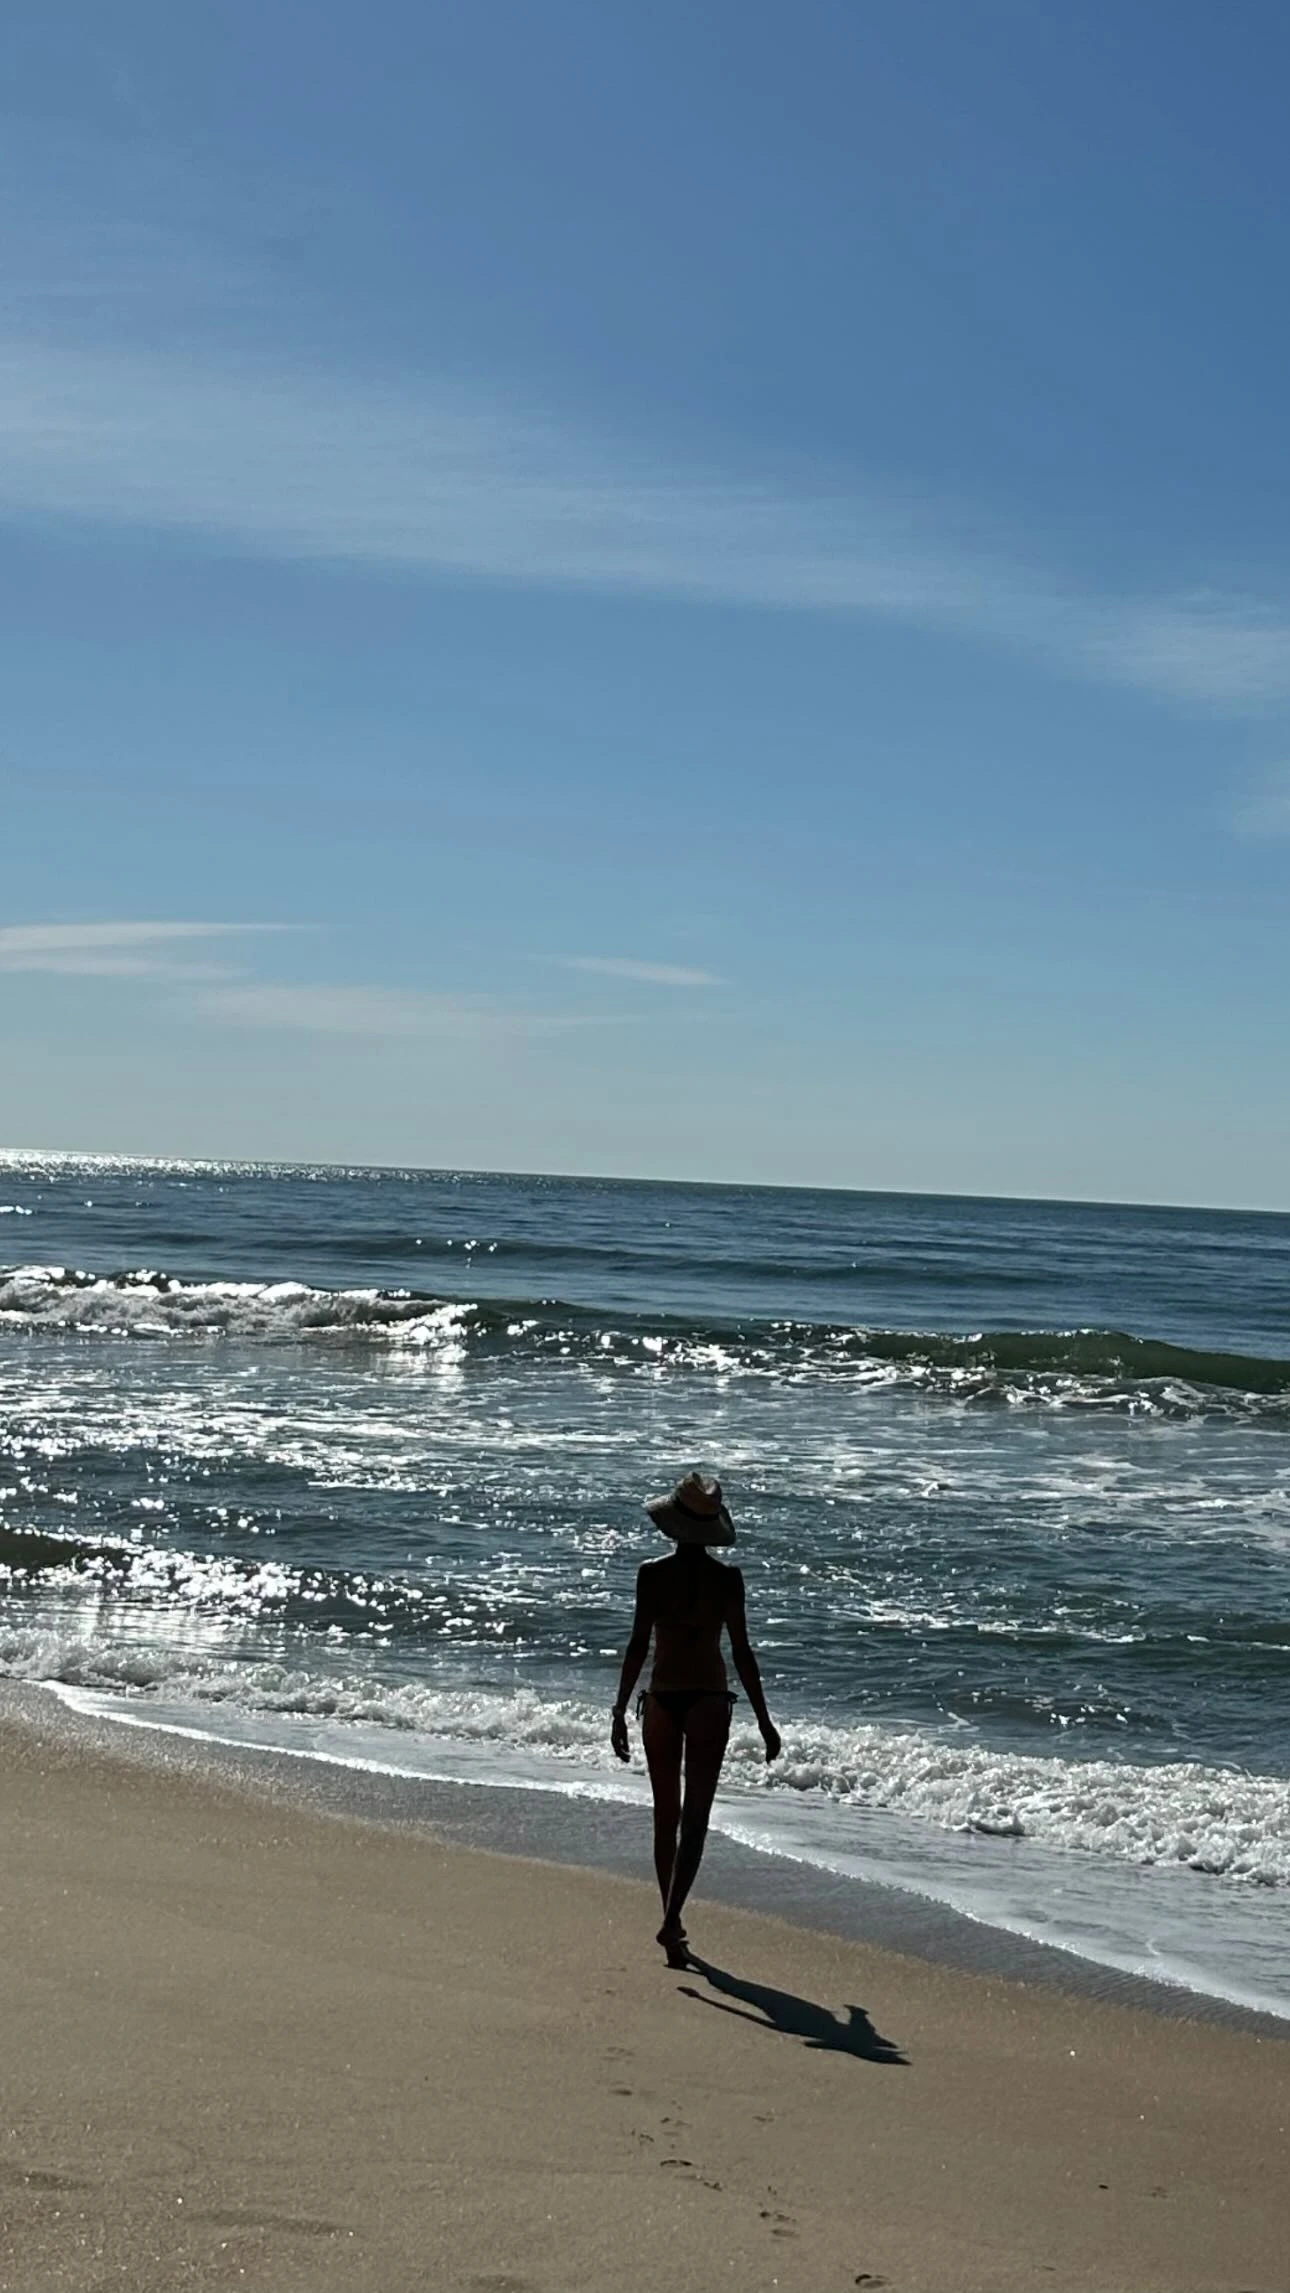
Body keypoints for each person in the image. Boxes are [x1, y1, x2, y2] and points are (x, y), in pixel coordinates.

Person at [611, 1472, 781, 1965]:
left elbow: (638, 1645)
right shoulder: (727, 1579)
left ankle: (672, 1918)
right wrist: (765, 1720)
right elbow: (743, 1654)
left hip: (661, 1699)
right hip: (708, 1699)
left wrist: (621, 1708)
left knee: (666, 1817)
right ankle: (671, 1920)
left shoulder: (652, 1574)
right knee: (696, 1819)